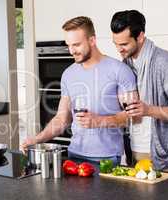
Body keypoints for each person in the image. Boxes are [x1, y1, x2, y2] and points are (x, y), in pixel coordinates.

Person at [20, 16, 137, 165]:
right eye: (68, 45)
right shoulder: (68, 74)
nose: (71, 51)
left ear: (92, 40)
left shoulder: (119, 70)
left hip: (107, 159)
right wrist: (36, 140)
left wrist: (99, 121)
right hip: (74, 155)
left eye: (76, 45)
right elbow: (62, 119)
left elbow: (133, 116)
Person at [110, 10, 168, 171]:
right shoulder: (126, 64)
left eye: (124, 44)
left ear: (140, 36)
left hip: (160, 153)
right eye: (116, 44)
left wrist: (148, 110)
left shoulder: (165, 63)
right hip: (132, 150)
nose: (119, 49)